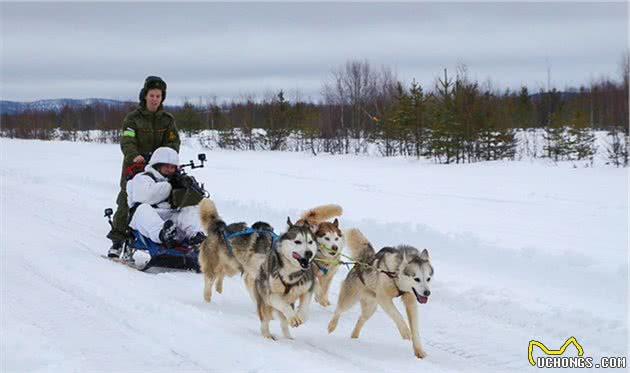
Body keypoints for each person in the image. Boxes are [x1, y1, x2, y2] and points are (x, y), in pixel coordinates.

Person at [107, 76, 181, 257]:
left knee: (171, 196)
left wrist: (165, 160)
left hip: (160, 167)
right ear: (145, 96)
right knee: (128, 199)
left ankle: (171, 233)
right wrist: (135, 156)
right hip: (136, 166)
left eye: (158, 96)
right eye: (152, 95)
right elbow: (127, 141)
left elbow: (173, 142)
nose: (155, 99)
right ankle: (118, 240)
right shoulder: (133, 119)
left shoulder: (167, 120)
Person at [126, 147, 206, 249]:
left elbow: (193, 199)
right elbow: (146, 197)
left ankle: (196, 236)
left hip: (169, 215)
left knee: (190, 209)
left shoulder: (174, 179)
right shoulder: (143, 178)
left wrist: (186, 187)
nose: (169, 170)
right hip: (147, 217)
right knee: (143, 209)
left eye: (172, 167)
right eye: (166, 166)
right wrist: (169, 186)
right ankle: (165, 234)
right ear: (157, 166)